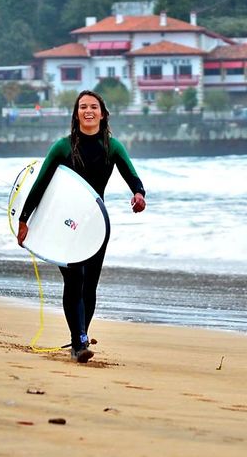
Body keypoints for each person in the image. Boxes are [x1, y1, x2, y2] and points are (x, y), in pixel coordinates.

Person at [17, 90, 146, 363]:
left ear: (103, 113)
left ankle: (81, 335)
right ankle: (79, 342)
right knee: (75, 280)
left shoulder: (113, 147)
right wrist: (24, 219)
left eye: (94, 107)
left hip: (94, 226)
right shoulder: (62, 147)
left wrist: (139, 194)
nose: (89, 111)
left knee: (90, 286)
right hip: (62, 226)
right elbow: (40, 183)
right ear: (76, 114)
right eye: (83, 107)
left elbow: (132, 177)